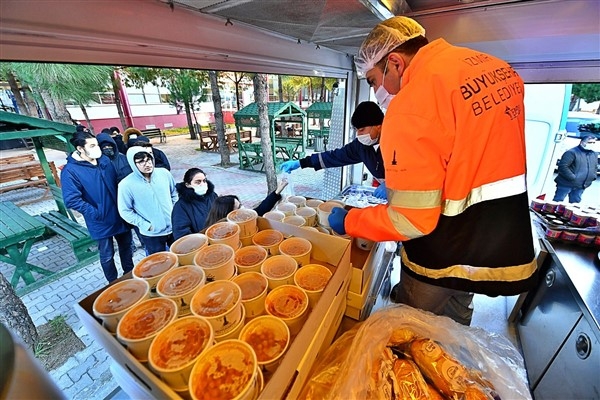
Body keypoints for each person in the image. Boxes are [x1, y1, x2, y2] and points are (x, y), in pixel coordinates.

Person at [328, 16, 537, 325]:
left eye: (373, 81)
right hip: (487, 249)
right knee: (454, 329)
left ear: (396, 63)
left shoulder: (412, 104)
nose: (377, 92)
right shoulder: (494, 68)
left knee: (413, 334)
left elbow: (410, 219)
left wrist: (351, 220)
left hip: (440, 253)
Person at [61, 131, 134, 283]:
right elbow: (72, 200)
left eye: (97, 144)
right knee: (107, 255)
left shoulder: (104, 161)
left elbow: (116, 182)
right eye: (92, 145)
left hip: (119, 215)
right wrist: (97, 213)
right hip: (100, 221)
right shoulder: (71, 171)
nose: (97, 148)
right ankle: (113, 283)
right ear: (80, 148)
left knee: (126, 248)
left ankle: (130, 275)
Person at [280, 101, 387, 199]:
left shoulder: (396, 143)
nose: (359, 135)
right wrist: (301, 162)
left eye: (362, 130)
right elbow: (334, 156)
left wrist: (391, 186)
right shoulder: (361, 146)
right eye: (357, 130)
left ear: (378, 126)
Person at [118, 146, 178, 254]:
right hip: (152, 234)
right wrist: (146, 225)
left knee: (179, 254)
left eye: (149, 159)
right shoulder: (126, 185)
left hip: (174, 226)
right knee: (159, 263)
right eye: (141, 162)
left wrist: (175, 212)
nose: (147, 164)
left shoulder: (164, 174)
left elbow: (174, 193)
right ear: (133, 163)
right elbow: (125, 211)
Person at [204, 180, 288, 227]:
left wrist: (277, 191)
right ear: (228, 215)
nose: (243, 207)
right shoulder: (220, 234)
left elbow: (261, 209)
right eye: (239, 207)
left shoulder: (244, 218)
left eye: (240, 204)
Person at [171, 168, 219, 240]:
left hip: (218, 238)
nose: (202, 184)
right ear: (188, 185)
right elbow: (181, 234)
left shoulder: (212, 196)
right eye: (198, 182)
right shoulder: (181, 206)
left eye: (204, 181)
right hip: (200, 245)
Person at [552, 135, 598, 203]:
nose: (592, 145)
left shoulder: (593, 154)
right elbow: (563, 167)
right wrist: (573, 177)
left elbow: (595, 167)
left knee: (575, 205)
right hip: (566, 184)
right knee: (557, 202)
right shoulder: (571, 152)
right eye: (589, 142)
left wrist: (593, 176)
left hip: (581, 185)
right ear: (582, 142)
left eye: (593, 143)